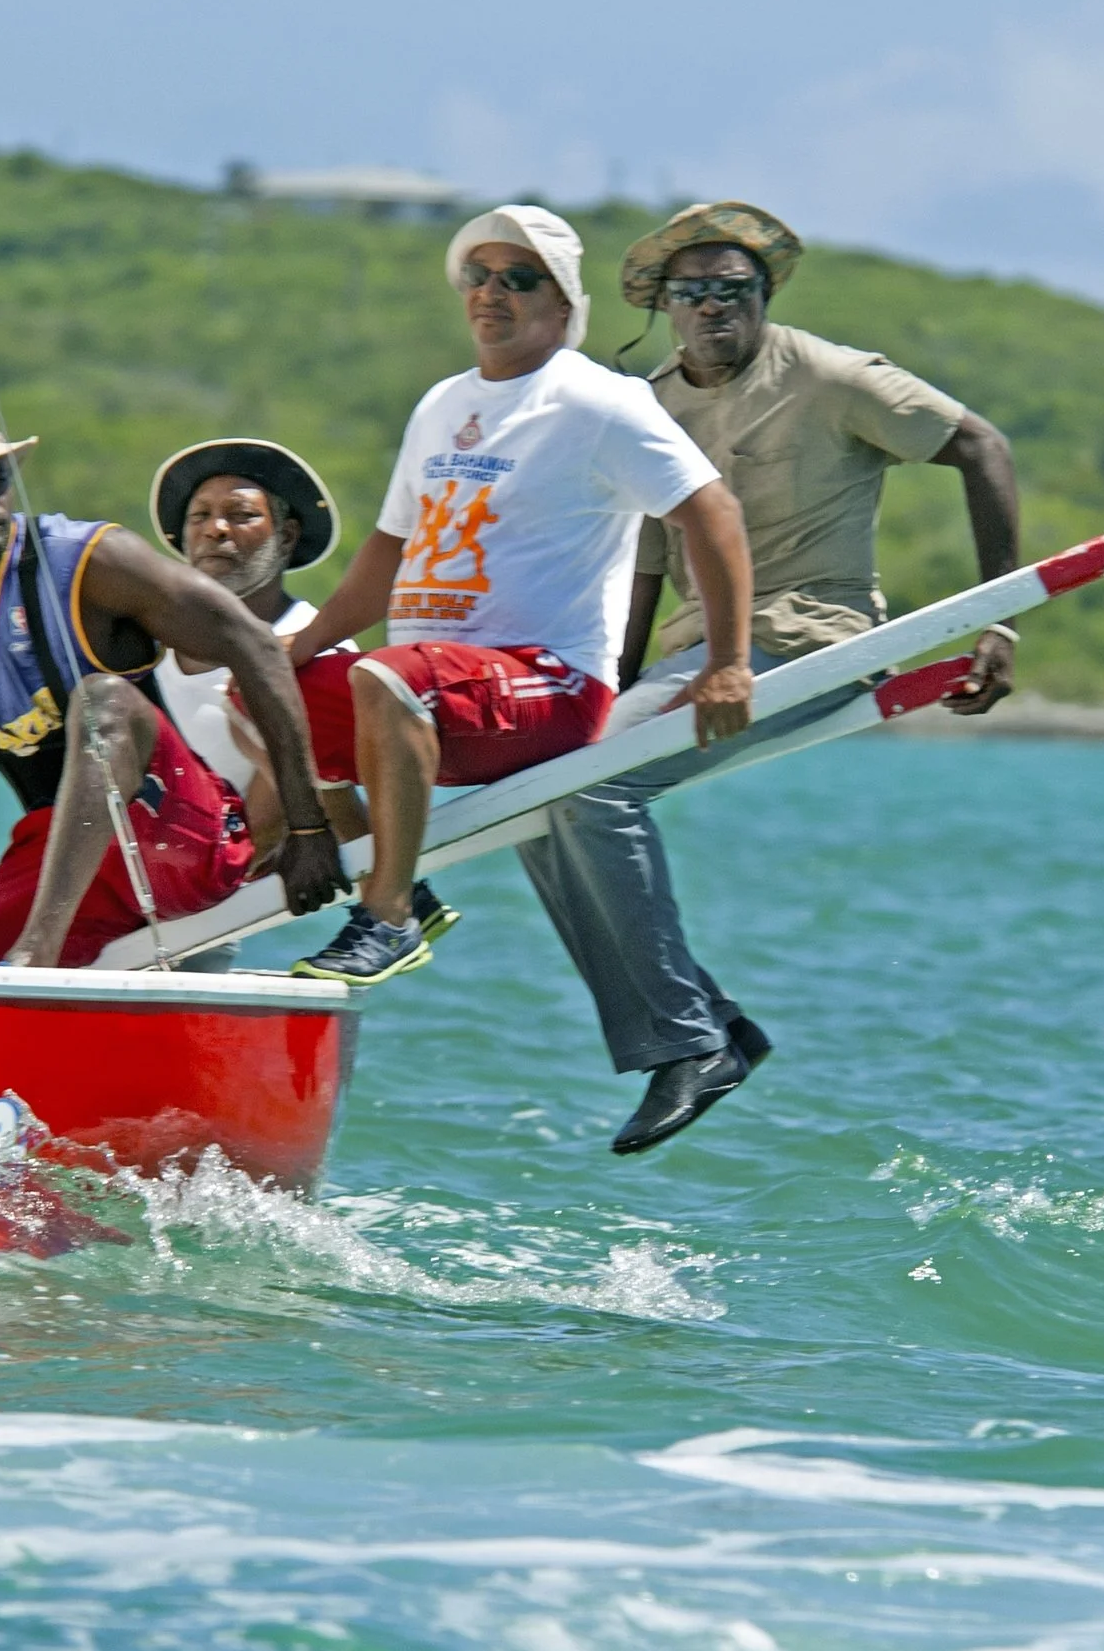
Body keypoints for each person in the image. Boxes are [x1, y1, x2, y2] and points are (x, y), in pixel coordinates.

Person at [519, 200, 1021, 1156]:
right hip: (694, 653)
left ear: (764, 295)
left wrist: (996, 616)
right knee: (537, 796)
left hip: (810, 639)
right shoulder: (650, 407)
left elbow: (981, 446)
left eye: (735, 289)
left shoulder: (833, 376)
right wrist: (602, 693)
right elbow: (647, 567)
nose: (716, 306)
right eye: (694, 292)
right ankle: (710, 1021)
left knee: (592, 788)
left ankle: (686, 1041)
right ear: (664, 305)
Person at [280, 204, 757, 987]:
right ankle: (392, 876)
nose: (491, 291)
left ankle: (387, 916)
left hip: (550, 686)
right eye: (479, 274)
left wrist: (729, 662)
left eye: (519, 278)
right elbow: (390, 551)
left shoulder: (597, 400)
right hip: (431, 698)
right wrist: (298, 647)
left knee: (390, 677)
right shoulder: (442, 404)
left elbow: (715, 514)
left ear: (562, 305)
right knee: (262, 691)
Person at [0, 403, 343, 969]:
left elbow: (257, 648)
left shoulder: (88, 561)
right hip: (68, 867)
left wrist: (308, 827)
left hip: (187, 841)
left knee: (104, 700)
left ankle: (37, 957)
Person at [148, 436, 457, 944]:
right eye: (199, 515)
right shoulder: (149, 642)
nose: (214, 529)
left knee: (267, 705)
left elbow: (289, 802)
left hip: (216, 885)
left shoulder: (317, 647)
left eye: (240, 515)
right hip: (155, 877)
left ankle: (396, 903)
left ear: (287, 536)